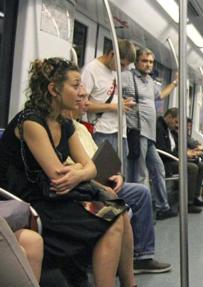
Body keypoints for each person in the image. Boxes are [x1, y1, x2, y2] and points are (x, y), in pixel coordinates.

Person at [0, 58, 135, 287]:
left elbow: (90, 166)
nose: (81, 91)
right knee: (112, 219)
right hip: (30, 201)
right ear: (54, 89)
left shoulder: (64, 123)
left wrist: (81, 174)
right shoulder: (31, 122)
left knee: (117, 212)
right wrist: (81, 172)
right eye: (75, 85)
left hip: (54, 196)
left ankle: (128, 283)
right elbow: (58, 176)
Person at [64, 84, 173, 274]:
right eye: (83, 98)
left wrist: (117, 176)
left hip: (100, 181)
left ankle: (142, 256)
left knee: (141, 192)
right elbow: (73, 168)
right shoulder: (62, 130)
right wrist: (98, 182)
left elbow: (96, 159)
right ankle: (100, 262)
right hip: (85, 187)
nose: (87, 103)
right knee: (121, 211)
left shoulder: (80, 128)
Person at [122, 48, 179, 219]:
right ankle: (138, 213)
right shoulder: (127, 77)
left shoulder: (149, 81)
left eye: (151, 62)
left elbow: (160, 95)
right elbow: (117, 92)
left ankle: (162, 207)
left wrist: (175, 83)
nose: (148, 65)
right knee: (139, 174)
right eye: (144, 61)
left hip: (149, 135)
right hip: (137, 132)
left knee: (158, 169)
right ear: (136, 62)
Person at [81, 39, 136, 172]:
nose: (122, 69)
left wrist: (123, 103)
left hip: (119, 131)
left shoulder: (115, 70)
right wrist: (114, 107)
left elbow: (110, 96)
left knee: (120, 176)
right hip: (101, 130)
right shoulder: (91, 70)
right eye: (121, 64)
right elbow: (82, 104)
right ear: (112, 54)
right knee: (103, 175)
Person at [155, 108, 203, 213]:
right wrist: (183, 155)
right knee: (192, 168)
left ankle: (195, 198)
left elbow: (177, 146)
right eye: (176, 121)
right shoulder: (159, 128)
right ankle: (187, 204)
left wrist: (189, 152)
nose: (177, 125)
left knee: (201, 165)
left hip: (174, 159)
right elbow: (163, 151)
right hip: (166, 163)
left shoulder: (172, 130)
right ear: (169, 117)